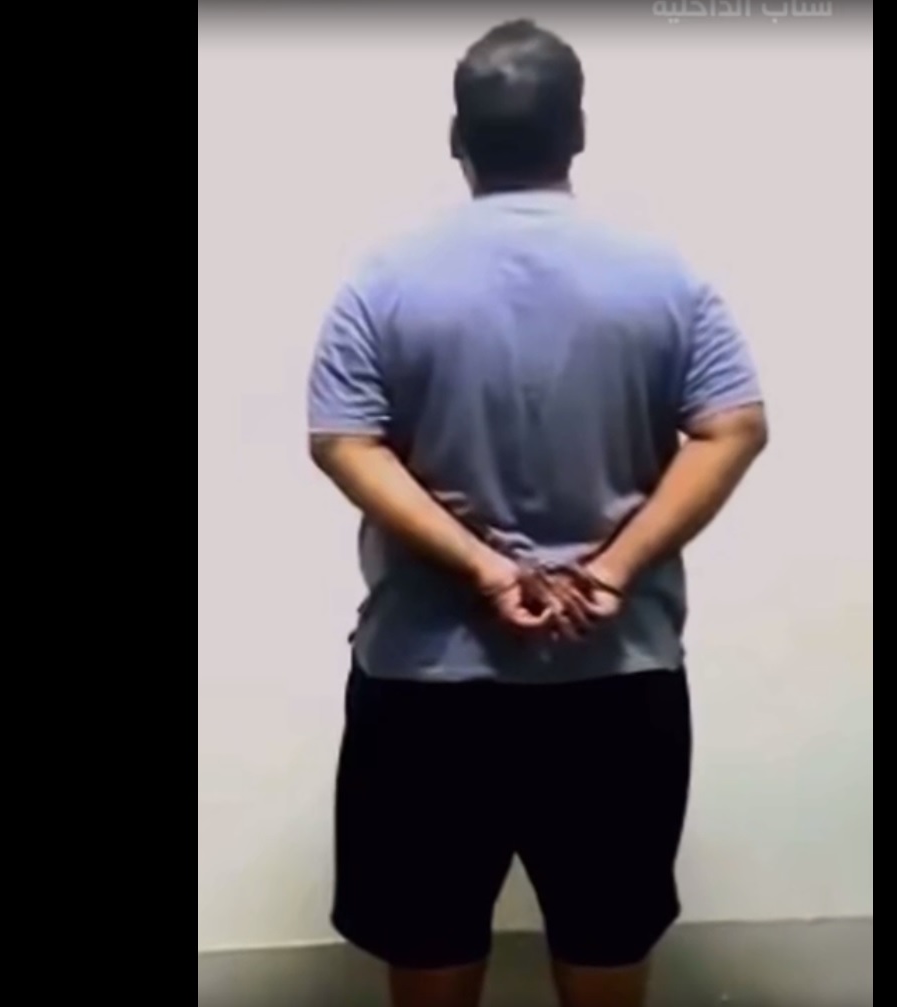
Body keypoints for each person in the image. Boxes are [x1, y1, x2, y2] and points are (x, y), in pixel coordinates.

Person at [306, 19, 768, 1007]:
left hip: (426, 680)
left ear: (456, 136)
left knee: (429, 945)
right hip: (617, 672)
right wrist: (610, 570)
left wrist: (484, 569)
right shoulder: (665, 277)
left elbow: (343, 440)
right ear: (578, 131)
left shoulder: (382, 280)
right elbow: (733, 426)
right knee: (605, 942)